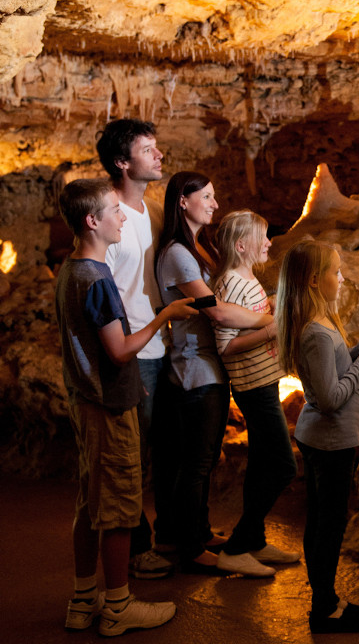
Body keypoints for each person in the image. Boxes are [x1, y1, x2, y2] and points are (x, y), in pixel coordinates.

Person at [55, 178, 195, 635]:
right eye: (116, 211)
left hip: (89, 398)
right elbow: (118, 351)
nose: (124, 218)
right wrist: (165, 317)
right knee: (117, 507)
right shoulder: (98, 278)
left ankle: (83, 598)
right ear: (92, 221)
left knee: (90, 501)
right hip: (108, 405)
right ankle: (118, 604)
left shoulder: (70, 270)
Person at [155, 172, 273, 574]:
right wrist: (269, 323)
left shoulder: (199, 248)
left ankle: (196, 532)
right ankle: (191, 547)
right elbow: (218, 311)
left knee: (201, 459)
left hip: (207, 365)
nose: (214, 204)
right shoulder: (178, 254)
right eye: (206, 196)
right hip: (195, 368)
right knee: (197, 462)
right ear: (183, 202)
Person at [275, 240, 359, 634]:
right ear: (314, 280)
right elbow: (329, 398)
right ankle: (325, 609)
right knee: (329, 525)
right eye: (336, 272)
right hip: (329, 439)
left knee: (321, 521)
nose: (341, 278)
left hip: (321, 437)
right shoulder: (317, 333)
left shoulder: (320, 324)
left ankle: (328, 601)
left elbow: (330, 372)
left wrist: (356, 351)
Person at [96, 118, 172, 580]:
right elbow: (96, 288)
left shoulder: (156, 211)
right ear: (123, 163)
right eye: (148, 149)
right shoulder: (105, 216)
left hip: (163, 345)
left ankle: (170, 535)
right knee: (132, 457)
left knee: (164, 450)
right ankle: (136, 548)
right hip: (129, 353)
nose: (158, 155)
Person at [210, 211, 300, 577]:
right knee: (283, 466)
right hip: (253, 386)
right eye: (262, 238)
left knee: (263, 463)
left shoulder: (246, 278)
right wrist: (272, 330)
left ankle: (256, 542)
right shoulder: (231, 283)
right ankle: (235, 548)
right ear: (241, 245)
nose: (269, 243)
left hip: (264, 381)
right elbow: (225, 346)